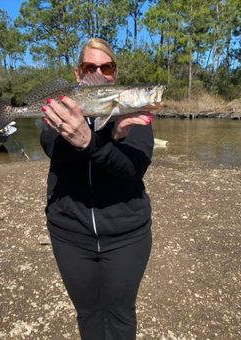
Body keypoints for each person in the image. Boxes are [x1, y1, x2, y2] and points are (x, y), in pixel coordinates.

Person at [40, 38, 154, 340]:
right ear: (79, 72)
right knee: (88, 313)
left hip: (126, 235)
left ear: (115, 73)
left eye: (107, 67)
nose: (100, 72)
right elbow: (50, 146)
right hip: (70, 234)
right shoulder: (61, 105)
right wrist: (77, 134)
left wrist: (107, 138)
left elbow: (133, 169)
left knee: (120, 313)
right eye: (91, 67)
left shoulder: (133, 111)